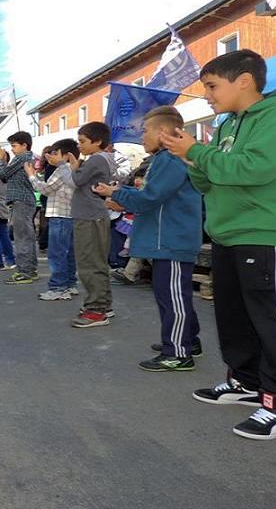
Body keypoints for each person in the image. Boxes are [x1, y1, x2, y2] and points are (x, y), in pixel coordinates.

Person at [162, 49, 276, 440]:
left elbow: (255, 169)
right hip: (227, 233)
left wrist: (198, 152)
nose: (207, 96)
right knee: (234, 317)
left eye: (213, 86)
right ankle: (247, 382)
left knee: (272, 322)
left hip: (265, 233)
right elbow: (210, 179)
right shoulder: (227, 125)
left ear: (244, 81)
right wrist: (193, 161)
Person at [95, 107, 202, 371]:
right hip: (168, 238)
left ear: (163, 132)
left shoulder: (170, 159)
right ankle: (188, 341)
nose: (141, 136)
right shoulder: (165, 159)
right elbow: (154, 197)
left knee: (172, 297)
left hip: (170, 240)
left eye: (145, 131)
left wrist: (115, 193)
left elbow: (150, 198)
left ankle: (177, 352)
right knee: (174, 295)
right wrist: (121, 196)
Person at [61, 121, 117, 328]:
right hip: (94, 215)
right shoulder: (101, 159)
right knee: (97, 262)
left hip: (89, 217)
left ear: (98, 141)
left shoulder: (96, 160)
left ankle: (96, 310)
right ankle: (103, 305)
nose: (79, 145)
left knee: (88, 263)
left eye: (83, 141)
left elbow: (74, 181)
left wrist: (65, 166)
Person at [26, 139, 78, 300]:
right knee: (68, 253)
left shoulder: (62, 170)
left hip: (60, 215)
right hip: (69, 215)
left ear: (66, 155)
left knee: (57, 253)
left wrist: (31, 176)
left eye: (55, 153)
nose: (51, 156)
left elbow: (46, 189)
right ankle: (69, 284)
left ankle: (58, 287)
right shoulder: (72, 169)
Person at [0, 131, 38, 284]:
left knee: (22, 238)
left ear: (24, 145)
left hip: (21, 201)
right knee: (27, 236)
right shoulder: (28, 157)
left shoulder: (22, 157)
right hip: (25, 201)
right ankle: (30, 269)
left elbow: (3, 175)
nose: (12, 149)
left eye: (14, 146)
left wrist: (1, 160)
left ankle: (25, 271)